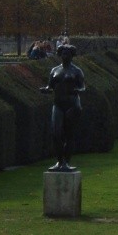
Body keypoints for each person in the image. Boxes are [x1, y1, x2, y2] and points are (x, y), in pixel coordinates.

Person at [39, 44, 85, 172]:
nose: (65, 56)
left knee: (69, 134)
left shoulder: (77, 71)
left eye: (68, 54)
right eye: (63, 53)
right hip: (58, 104)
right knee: (56, 133)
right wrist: (46, 89)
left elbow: (83, 86)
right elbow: (50, 86)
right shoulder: (54, 70)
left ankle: (66, 162)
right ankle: (59, 161)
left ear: (72, 56)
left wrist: (77, 89)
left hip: (72, 105)